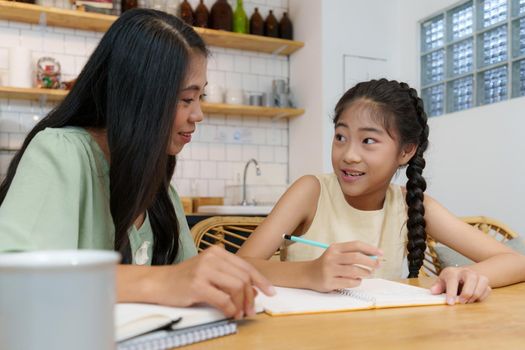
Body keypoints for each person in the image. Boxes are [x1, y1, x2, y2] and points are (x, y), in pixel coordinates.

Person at [0, 9, 274, 318]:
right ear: (139, 97)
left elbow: (189, 281)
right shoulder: (61, 151)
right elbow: (13, 277)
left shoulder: (160, 190)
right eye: (186, 99)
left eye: (201, 97)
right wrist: (161, 281)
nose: (198, 115)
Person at [237, 78, 525, 305]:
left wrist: (469, 274)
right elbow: (238, 267)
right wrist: (311, 273)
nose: (348, 154)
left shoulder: (413, 205)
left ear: (406, 151)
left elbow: (516, 262)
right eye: (341, 137)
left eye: (368, 141)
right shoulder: (310, 191)